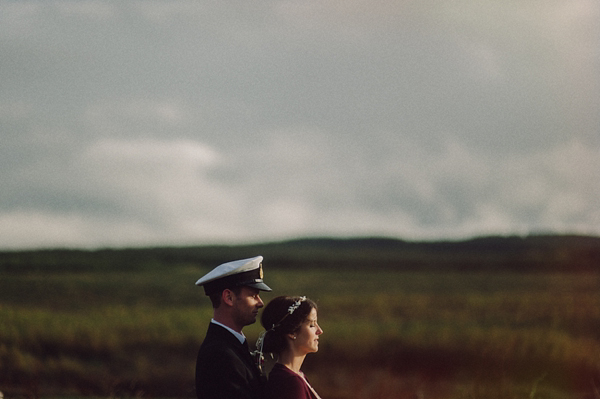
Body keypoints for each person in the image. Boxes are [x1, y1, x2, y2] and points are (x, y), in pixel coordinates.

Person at [195, 256, 272, 399]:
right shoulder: (220, 355)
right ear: (228, 297)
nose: (260, 303)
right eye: (253, 295)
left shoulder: (231, 345)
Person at [256, 295, 324, 399]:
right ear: (292, 332)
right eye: (311, 325)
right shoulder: (290, 382)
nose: (319, 331)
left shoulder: (297, 375)